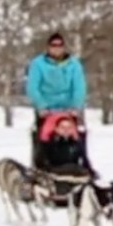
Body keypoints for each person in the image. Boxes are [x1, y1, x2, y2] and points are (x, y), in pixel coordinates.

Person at [26, 32, 90, 171]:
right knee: (40, 134)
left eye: (60, 45)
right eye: (53, 45)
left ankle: (84, 163)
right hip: (47, 108)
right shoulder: (38, 64)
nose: (57, 48)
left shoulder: (74, 64)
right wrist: (41, 106)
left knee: (80, 133)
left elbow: (79, 86)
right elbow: (33, 86)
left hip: (69, 107)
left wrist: (75, 106)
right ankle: (39, 164)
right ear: (48, 47)